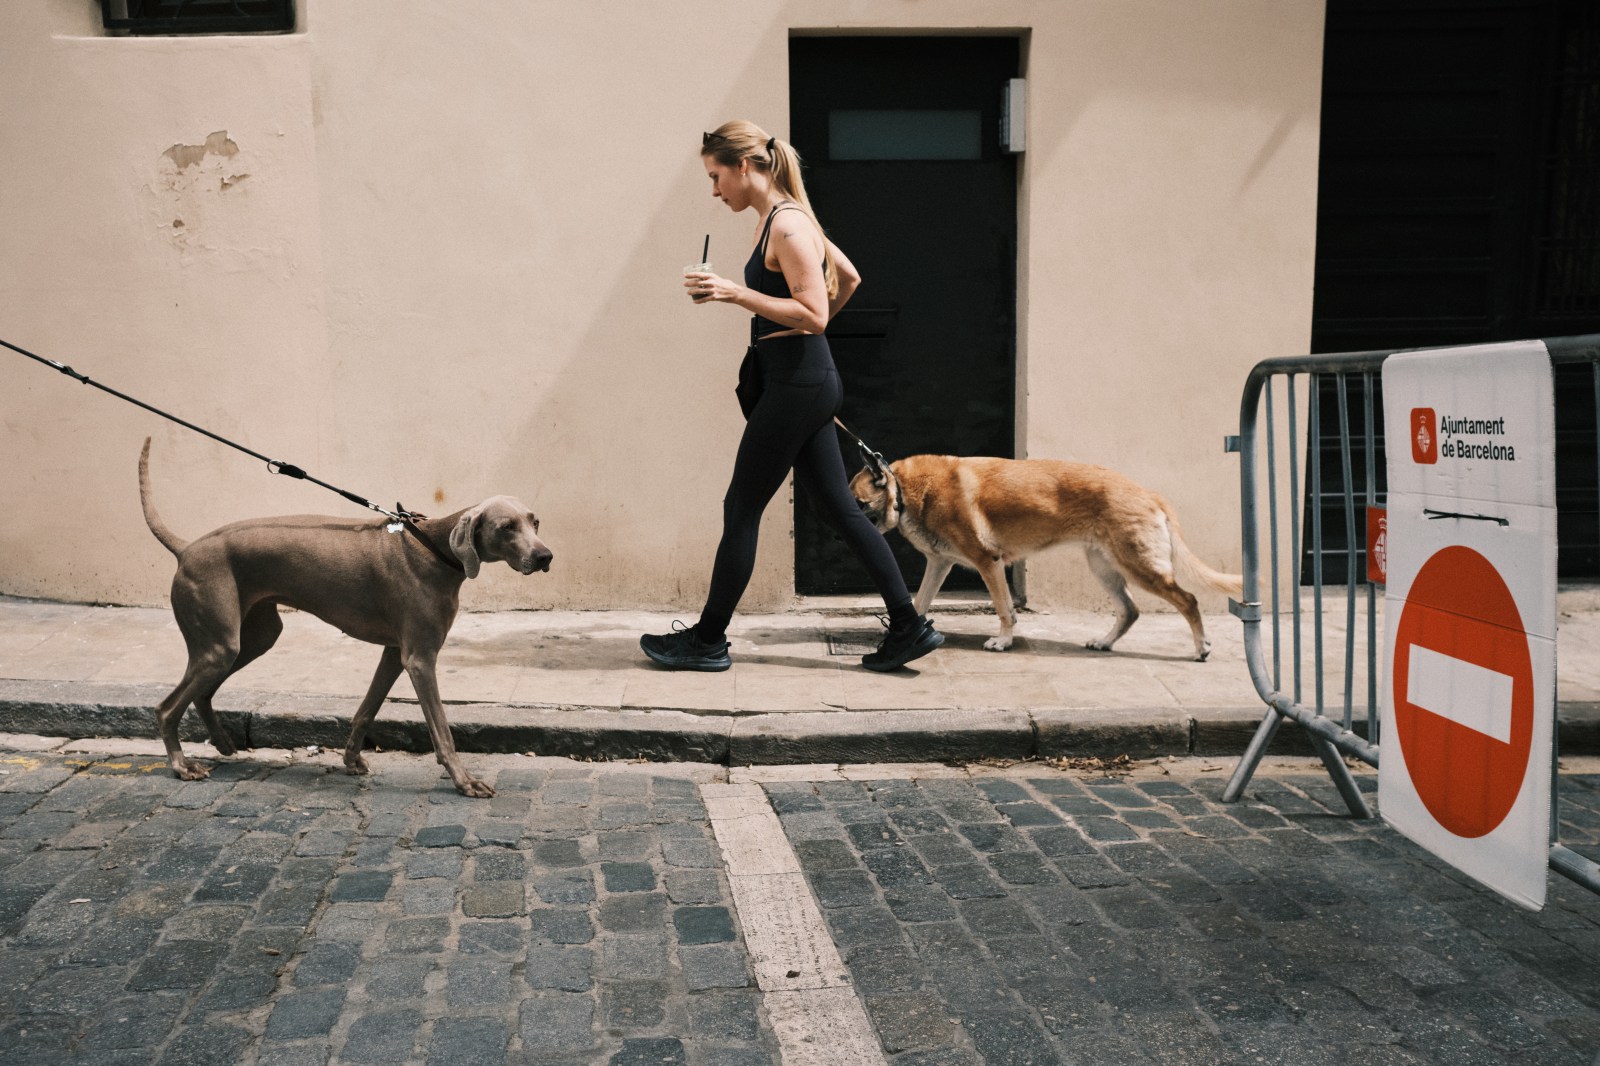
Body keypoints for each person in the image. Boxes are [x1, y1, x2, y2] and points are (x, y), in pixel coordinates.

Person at [640, 120, 943, 673]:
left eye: (715, 177)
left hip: (797, 383)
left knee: (742, 506)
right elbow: (847, 276)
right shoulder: (780, 220)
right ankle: (908, 625)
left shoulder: (787, 227)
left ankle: (708, 640)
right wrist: (789, 330)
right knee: (839, 509)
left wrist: (738, 294)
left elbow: (817, 314)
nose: (714, 191)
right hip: (799, 378)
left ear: (745, 167)